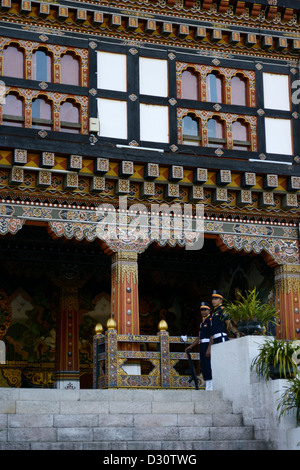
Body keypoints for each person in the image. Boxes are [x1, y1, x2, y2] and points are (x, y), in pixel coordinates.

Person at [185, 302, 213, 391]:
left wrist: (209, 348)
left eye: (205, 310)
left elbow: (212, 335)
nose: (203, 312)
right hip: (202, 345)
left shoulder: (210, 320)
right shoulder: (202, 323)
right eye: (201, 310)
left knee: (208, 364)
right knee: (204, 365)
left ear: (209, 310)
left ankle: (211, 385)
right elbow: (199, 337)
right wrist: (191, 346)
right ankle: (207, 384)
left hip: (208, 344)